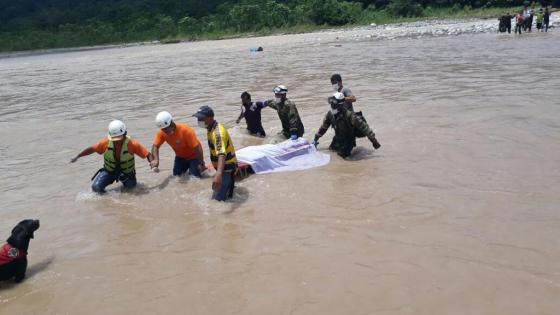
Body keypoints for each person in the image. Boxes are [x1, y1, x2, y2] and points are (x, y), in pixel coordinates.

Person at [70, 120, 153, 193]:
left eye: (119, 138)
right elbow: (92, 149)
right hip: (109, 171)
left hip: (127, 173)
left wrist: (152, 162)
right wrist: (78, 156)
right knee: (96, 188)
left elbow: (147, 154)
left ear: (125, 133)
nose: (117, 142)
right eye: (114, 139)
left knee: (131, 189)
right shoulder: (105, 143)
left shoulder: (132, 144)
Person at [312, 92, 381, 159]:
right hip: (337, 139)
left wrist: (374, 142)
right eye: (331, 103)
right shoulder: (330, 114)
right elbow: (324, 127)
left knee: (344, 159)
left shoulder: (349, 115)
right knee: (330, 151)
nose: (332, 105)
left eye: (334, 104)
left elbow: (365, 128)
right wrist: (315, 139)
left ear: (341, 105)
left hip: (347, 141)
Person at [193, 106, 238, 202]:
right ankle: (230, 188)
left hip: (227, 168)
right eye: (198, 118)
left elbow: (221, 154)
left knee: (216, 201)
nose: (199, 120)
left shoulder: (217, 133)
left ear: (210, 118)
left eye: (201, 118)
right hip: (223, 168)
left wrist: (218, 174)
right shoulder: (211, 128)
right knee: (226, 196)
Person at [151, 111, 205, 177]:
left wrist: (201, 163)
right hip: (180, 157)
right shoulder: (162, 132)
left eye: (166, 128)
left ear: (171, 122)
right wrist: (156, 160)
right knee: (176, 177)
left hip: (194, 157)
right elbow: (155, 146)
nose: (165, 131)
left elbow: (197, 148)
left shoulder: (186, 130)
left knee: (194, 178)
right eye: (163, 129)